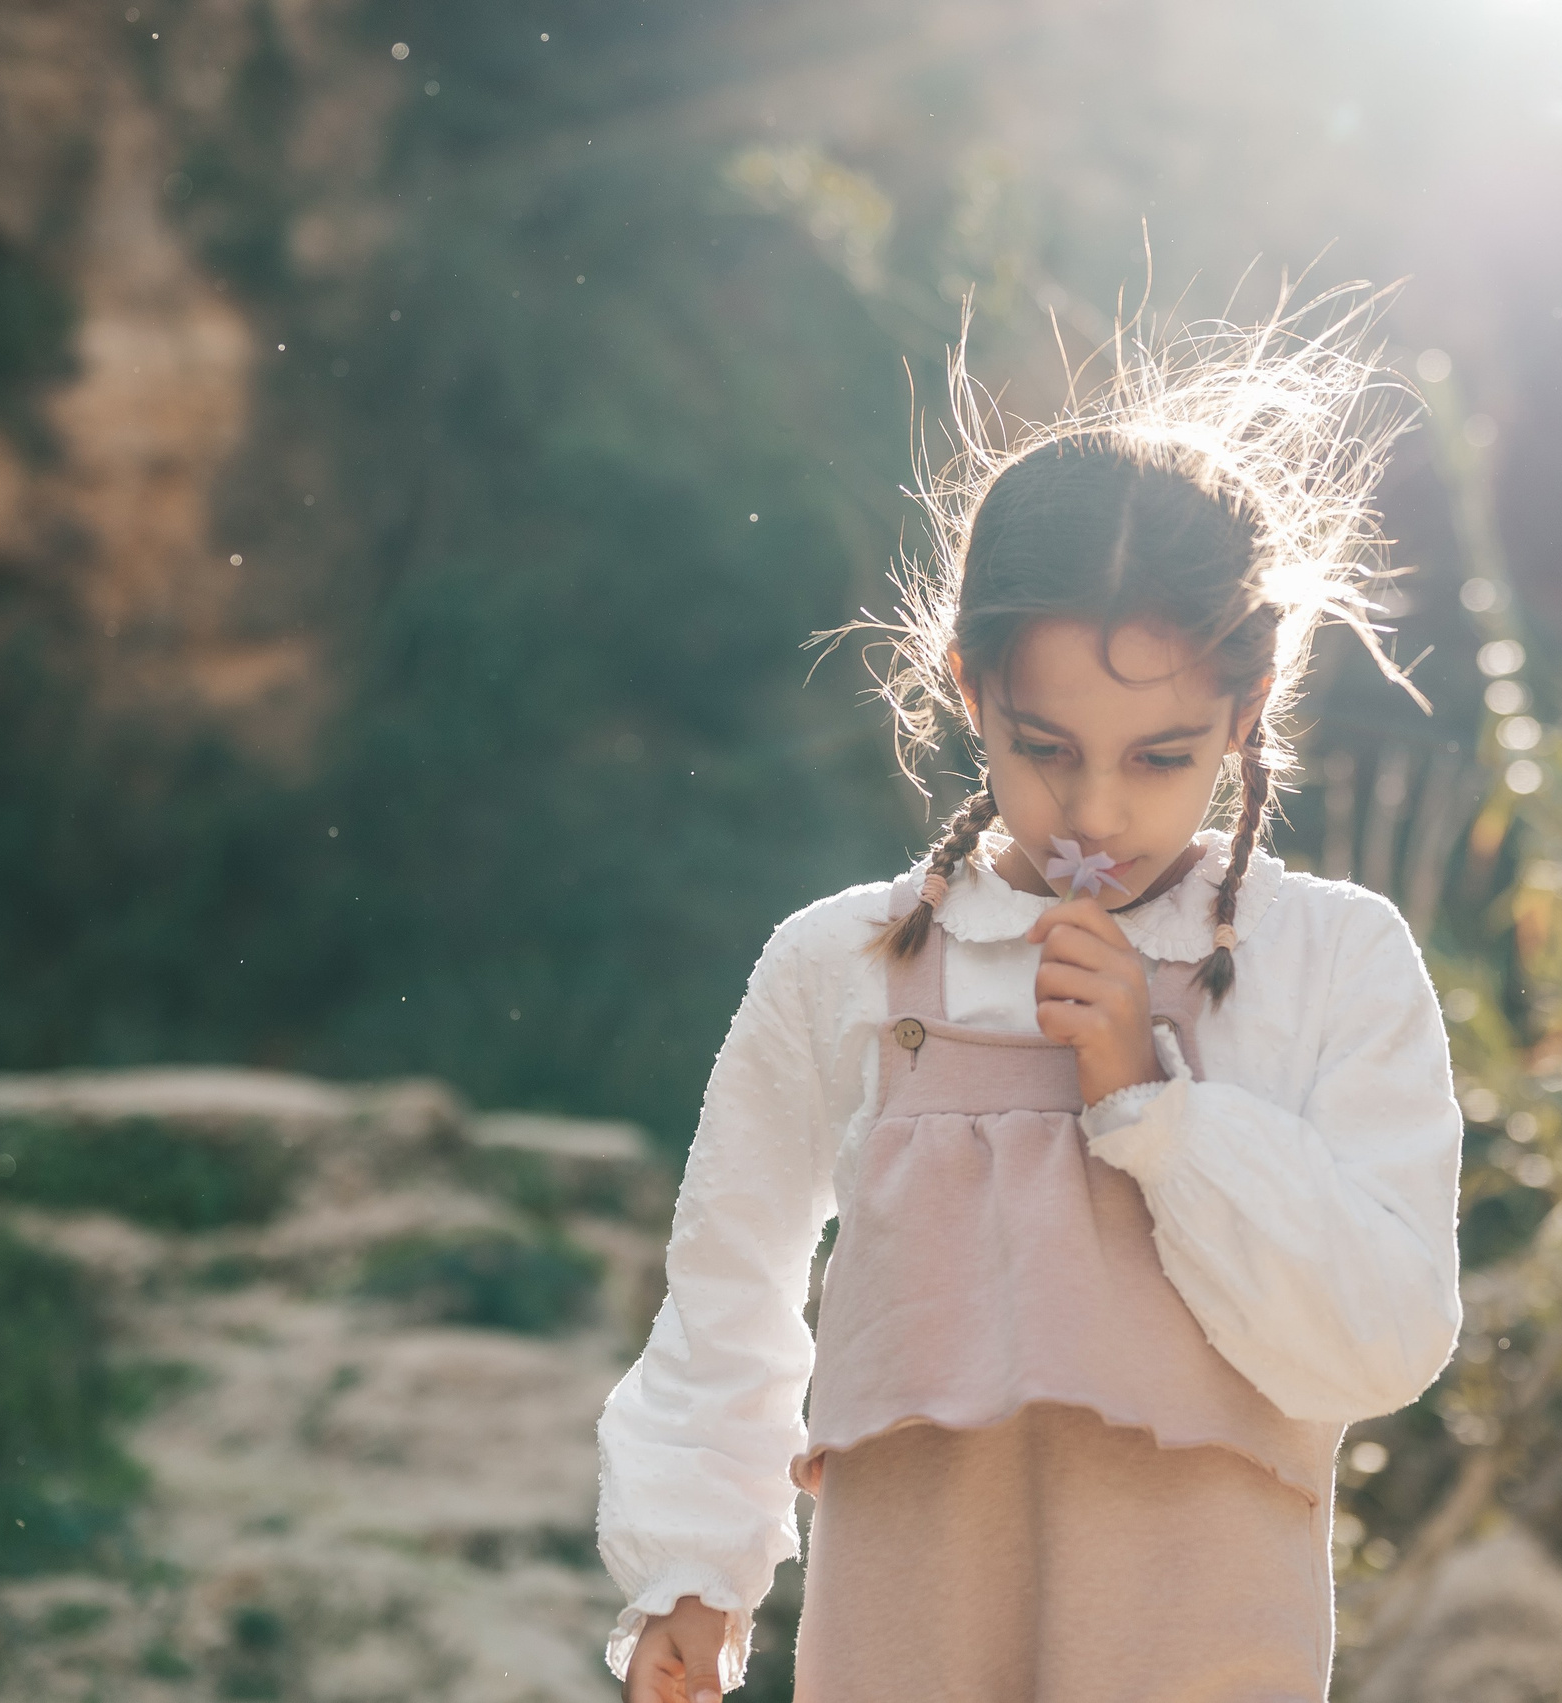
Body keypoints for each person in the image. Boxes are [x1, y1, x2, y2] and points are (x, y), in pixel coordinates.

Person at [597, 294, 1465, 1703]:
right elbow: (728, 1294)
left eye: (1163, 755)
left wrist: (1152, 1106)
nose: (1099, 808)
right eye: (1045, 745)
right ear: (967, 685)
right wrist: (690, 1571)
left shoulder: (1334, 964)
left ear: (1248, 715)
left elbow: (1383, 1340)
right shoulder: (844, 966)